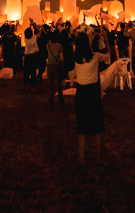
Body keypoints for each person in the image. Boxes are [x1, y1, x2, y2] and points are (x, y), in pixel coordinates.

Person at [73, 32, 110, 165]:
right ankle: (98, 158)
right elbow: (108, 58)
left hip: (81, 93)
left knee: (82, 128)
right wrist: (105, 40)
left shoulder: (76, 59)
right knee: (98, 126)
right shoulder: (95, 57)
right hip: (93, 93)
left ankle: (82, 159)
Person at [45, 30, 65, 106]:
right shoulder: (59, 46)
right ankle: (61, 101)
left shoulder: (48, 45)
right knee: (58, 85)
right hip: (56, 66)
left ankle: (50, 101)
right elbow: (61, 58)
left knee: (51, 86)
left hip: (49, 66)